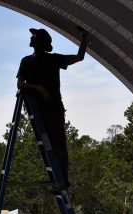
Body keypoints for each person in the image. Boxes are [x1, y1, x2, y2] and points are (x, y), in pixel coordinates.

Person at [17, 26, 89, 189]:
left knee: (58, 145)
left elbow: (79, 57)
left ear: (43, 42)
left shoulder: (53, 59)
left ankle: (63, 181)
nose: (31, 38)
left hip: (53, 109)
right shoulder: (26, 61)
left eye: (34, 36)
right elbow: (20, 84)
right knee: (48, 146)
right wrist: (39, 89)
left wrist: (85, 37)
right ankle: (58, 179)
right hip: (36, 110)